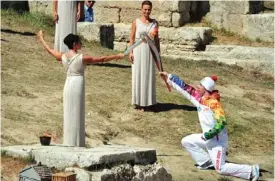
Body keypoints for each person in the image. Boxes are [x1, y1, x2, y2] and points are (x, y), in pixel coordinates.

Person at [159, 71, 260, 181]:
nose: (197, 87)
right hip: (207, 138)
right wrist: (169, 76)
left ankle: (251, 170)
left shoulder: (214, 104)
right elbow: (186, 88)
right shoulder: (200, 99)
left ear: (206, 89)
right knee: (186, 141)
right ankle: (206, 162)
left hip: (218, 142)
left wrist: (208, 135)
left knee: (221, 168)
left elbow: (221, 123)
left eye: (200, 85)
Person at [38, 30, 125, 147]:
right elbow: (102, 59)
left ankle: (70, 141)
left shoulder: (62, 56)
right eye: (79, 42)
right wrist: (117, 56)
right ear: (74, 44)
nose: (81, 44)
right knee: (77, 111)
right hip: (77, 83)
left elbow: (49, 50)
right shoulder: (81, 58)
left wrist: (41, 38)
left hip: (68, 84)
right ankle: (76, 143)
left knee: (69, 111)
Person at [129, 0, 160, 111]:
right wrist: (131, 52)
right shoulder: (136, 22)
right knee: (138, 75)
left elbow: (156, 39)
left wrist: (158, 54)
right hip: (138, 50)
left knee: (148, 75)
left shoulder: (154, 23)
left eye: (149, 9)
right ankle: (139, 103)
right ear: (141, 9)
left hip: (150, 51)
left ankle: (149, 102)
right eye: (145, 9)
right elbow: (132, 38)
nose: (147, 11)